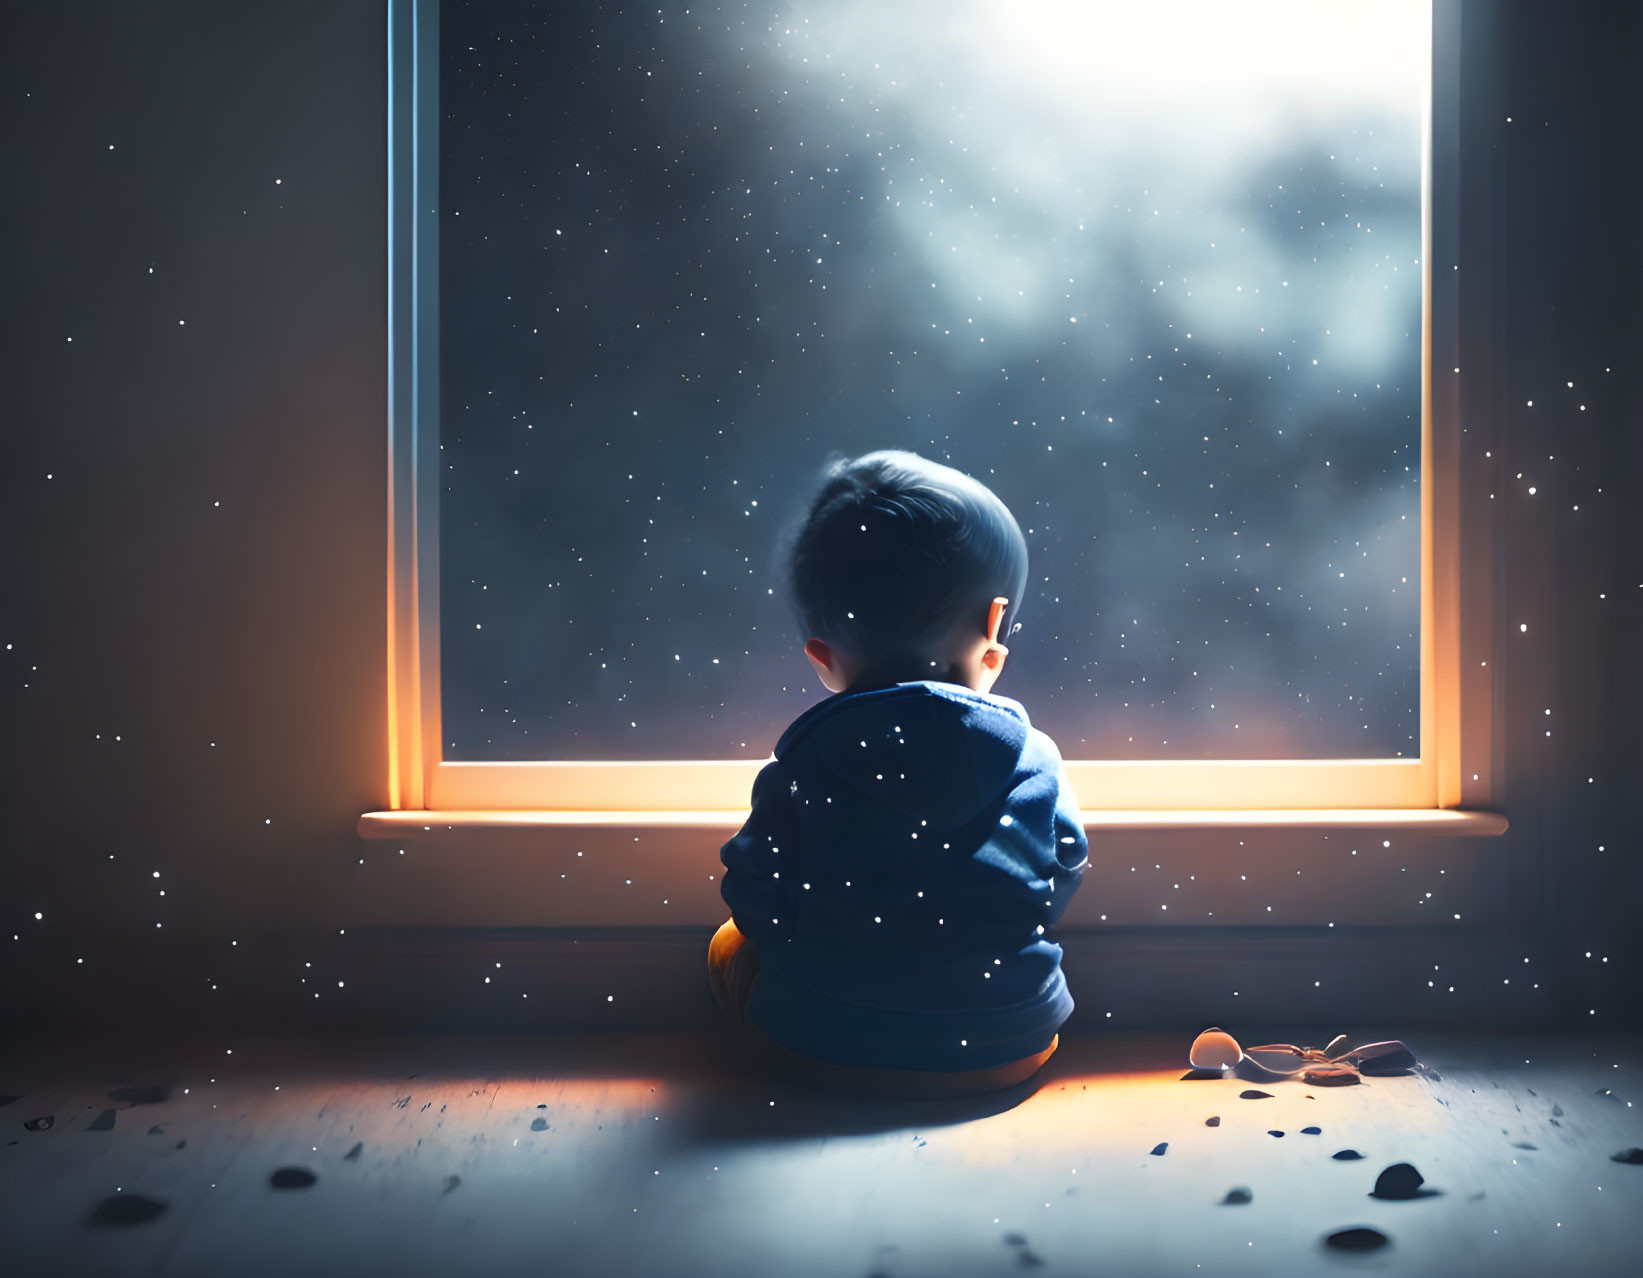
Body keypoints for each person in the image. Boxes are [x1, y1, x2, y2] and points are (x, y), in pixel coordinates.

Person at [708, 449, 1089, 1098]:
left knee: (727, 946)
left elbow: (754, 891)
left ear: (821, 656)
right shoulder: (1033, 759)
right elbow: (1060, 871)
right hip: (1006, 1045)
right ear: (995, 624)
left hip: (819, 1049)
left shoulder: (805, 763)